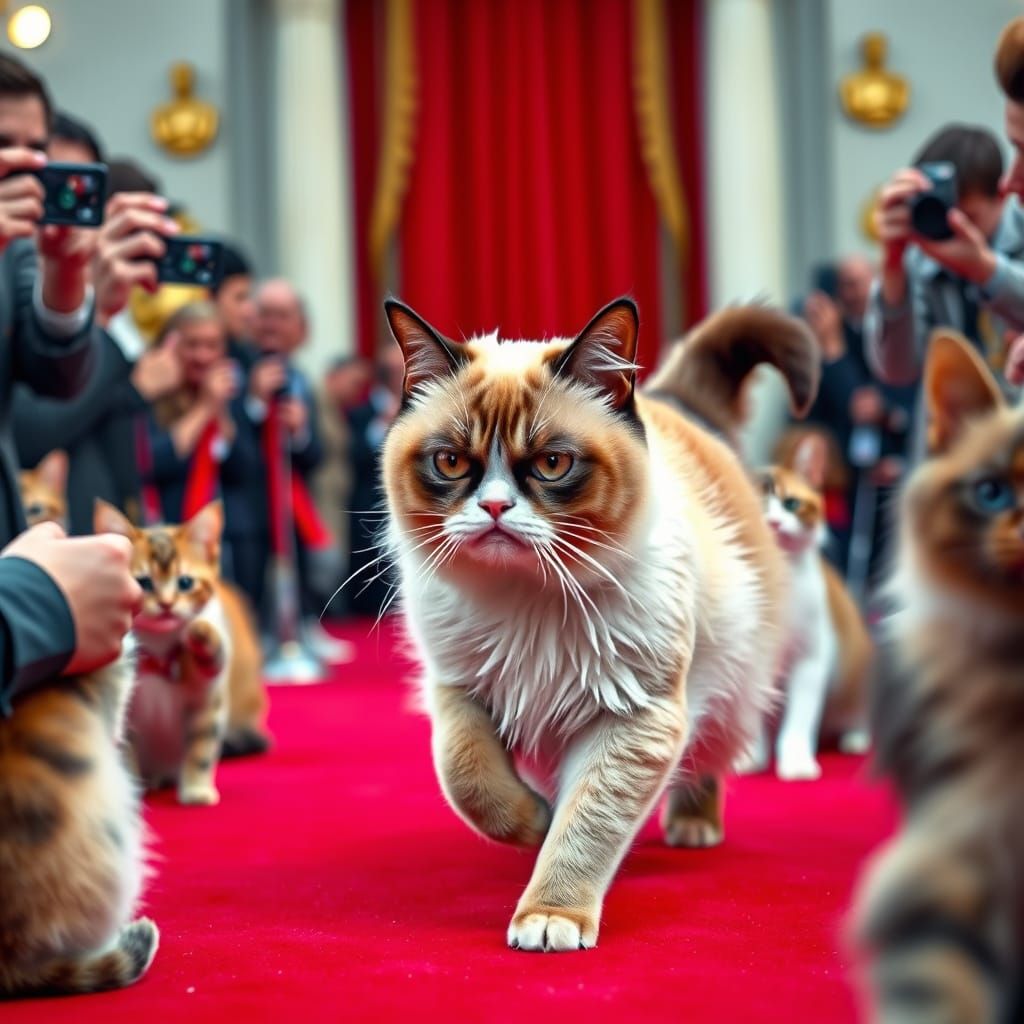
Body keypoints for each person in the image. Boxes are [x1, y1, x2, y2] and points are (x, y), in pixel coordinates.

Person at [14, 117, 182, 533]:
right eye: (51, 185)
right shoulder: (16, 291)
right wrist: (98, 317)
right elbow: (30, 432)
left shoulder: (108, 295)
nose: (64, 210)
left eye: (81, 190)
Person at [866, 123, 1024, 459]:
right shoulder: (918, 260)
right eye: (944, 218)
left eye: (968, 218)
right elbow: (896, 371)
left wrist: (984, 268)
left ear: (1001, 195)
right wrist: (892, 266)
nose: (954, 232)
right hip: (947, 457)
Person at [801, 255, 915, 581]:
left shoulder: (897, 332)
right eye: (845, 285)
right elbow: (848, 406)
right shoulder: (825, 339)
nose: (852, 293)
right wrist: (830, 347)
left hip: (893, 467)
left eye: (859, 283)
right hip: (842, 472)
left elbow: (898, 403)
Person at [140, 302, 264, 603]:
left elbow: (246, 468)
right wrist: (204, 408)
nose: (203, 356)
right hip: (171, 535)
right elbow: (150, 461)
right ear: (171, 345)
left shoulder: (230, 392)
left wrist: (221, 412)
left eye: (212, 346)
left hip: (230, 540)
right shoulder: (150, 391)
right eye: (192, 345)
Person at [250, 279, 346, 658]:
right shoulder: (239, 366)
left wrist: (299, 432)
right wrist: (255, 405)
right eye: (265, 314)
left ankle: (300, 624)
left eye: (282, 316)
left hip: (293, 496)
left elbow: (316, 453)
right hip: (251, 501)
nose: (272, 324)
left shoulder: (300, 377)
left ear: (300, 327)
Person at [344, 344, 404, 617]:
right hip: (370, 507)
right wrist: (383, 425)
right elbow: (353, 456)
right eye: (394, 370)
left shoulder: (426, 407)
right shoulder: (360, 412)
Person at [212, 242, 258, 371]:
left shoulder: (247, 357)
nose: (249, 311)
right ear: (210, 298)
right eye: (239, 298)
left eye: (249, 297)